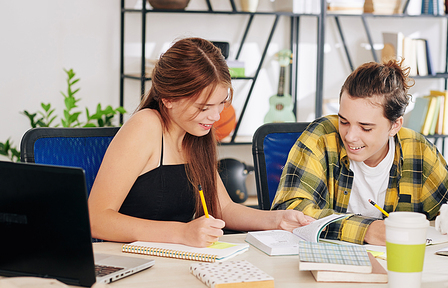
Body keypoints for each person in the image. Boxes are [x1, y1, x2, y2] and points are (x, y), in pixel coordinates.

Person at [88, 37, 313, 247]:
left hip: (176, 262)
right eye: (203, 108)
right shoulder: (146, 126)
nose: (215, 117)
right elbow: (96, 219)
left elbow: (223, 208)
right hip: (131, 261)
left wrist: (278, 220)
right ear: (168, 98)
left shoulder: (195, 135)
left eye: (221, 103)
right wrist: (182, 233)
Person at [271, 59, 448, 245]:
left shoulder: (418, 150)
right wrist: (366, 230)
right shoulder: (321, 137)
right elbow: (289, 210)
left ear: (395, 126)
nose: (350, 136)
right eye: (344, 121)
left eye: (365, 127)